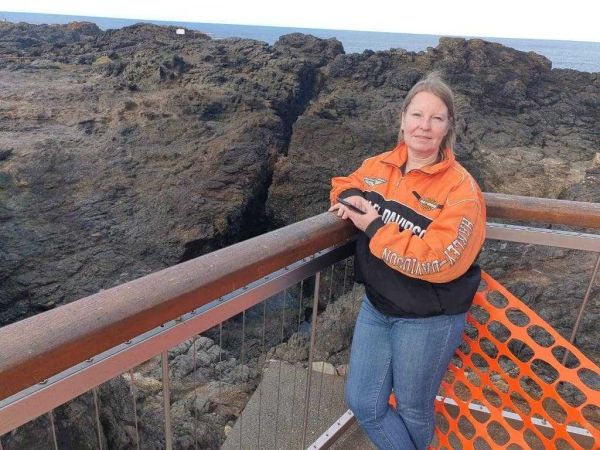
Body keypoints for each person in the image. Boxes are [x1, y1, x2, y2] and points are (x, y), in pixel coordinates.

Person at [328, 72, 486, 450]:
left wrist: (374, 227)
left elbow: (442, 260)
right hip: (378, 305)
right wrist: (351, 201)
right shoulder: (380, 166)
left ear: (448, 128)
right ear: (402, 120)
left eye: (436, 118)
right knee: (364, 402)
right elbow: (344, 182)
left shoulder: (461, 190)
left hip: (429, 317)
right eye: (417, 115)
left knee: (414, 408)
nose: (424, 126)